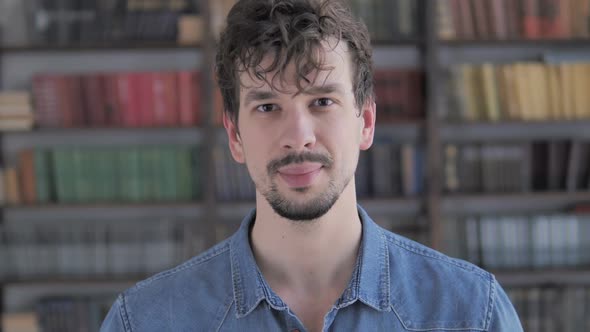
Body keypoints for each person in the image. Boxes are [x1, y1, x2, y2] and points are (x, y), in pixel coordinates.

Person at [101, 0, 523, 331]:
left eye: (322, 101)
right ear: (234, 136)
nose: (298, 135)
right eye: (267, 106)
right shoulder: (142, 322)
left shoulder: (473, 313)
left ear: (367, 122)